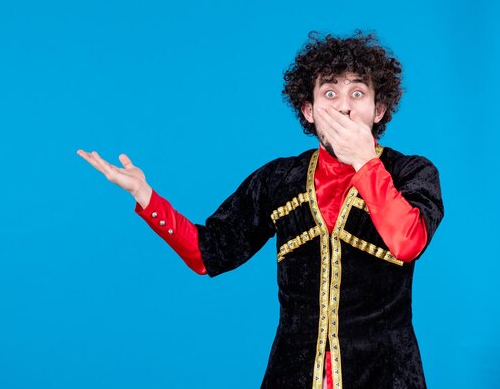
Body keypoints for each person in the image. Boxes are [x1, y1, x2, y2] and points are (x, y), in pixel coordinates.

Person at [78, 31, 444, 389]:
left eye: (358, 93)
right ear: (309, 110)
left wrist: (364, 161)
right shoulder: (278, 180)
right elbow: (208, 254)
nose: (344, 105)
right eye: (329, 92)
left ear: (378, 109)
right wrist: (145, 195)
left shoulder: (411, 173)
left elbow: (407, 242)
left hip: (387, 374)